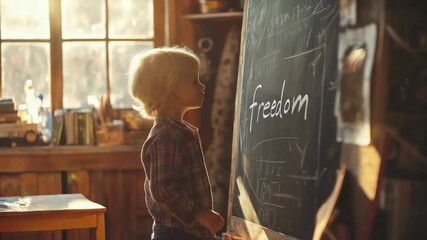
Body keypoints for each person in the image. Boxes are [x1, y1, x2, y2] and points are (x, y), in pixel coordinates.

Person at [128, 46, 224, 240]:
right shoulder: (166, 136)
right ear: (171, 91)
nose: (202, 85)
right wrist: (200, 214)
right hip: (176, 234)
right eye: (194, 81)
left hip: (189, 231)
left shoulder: (179, 131)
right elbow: (163, 189)